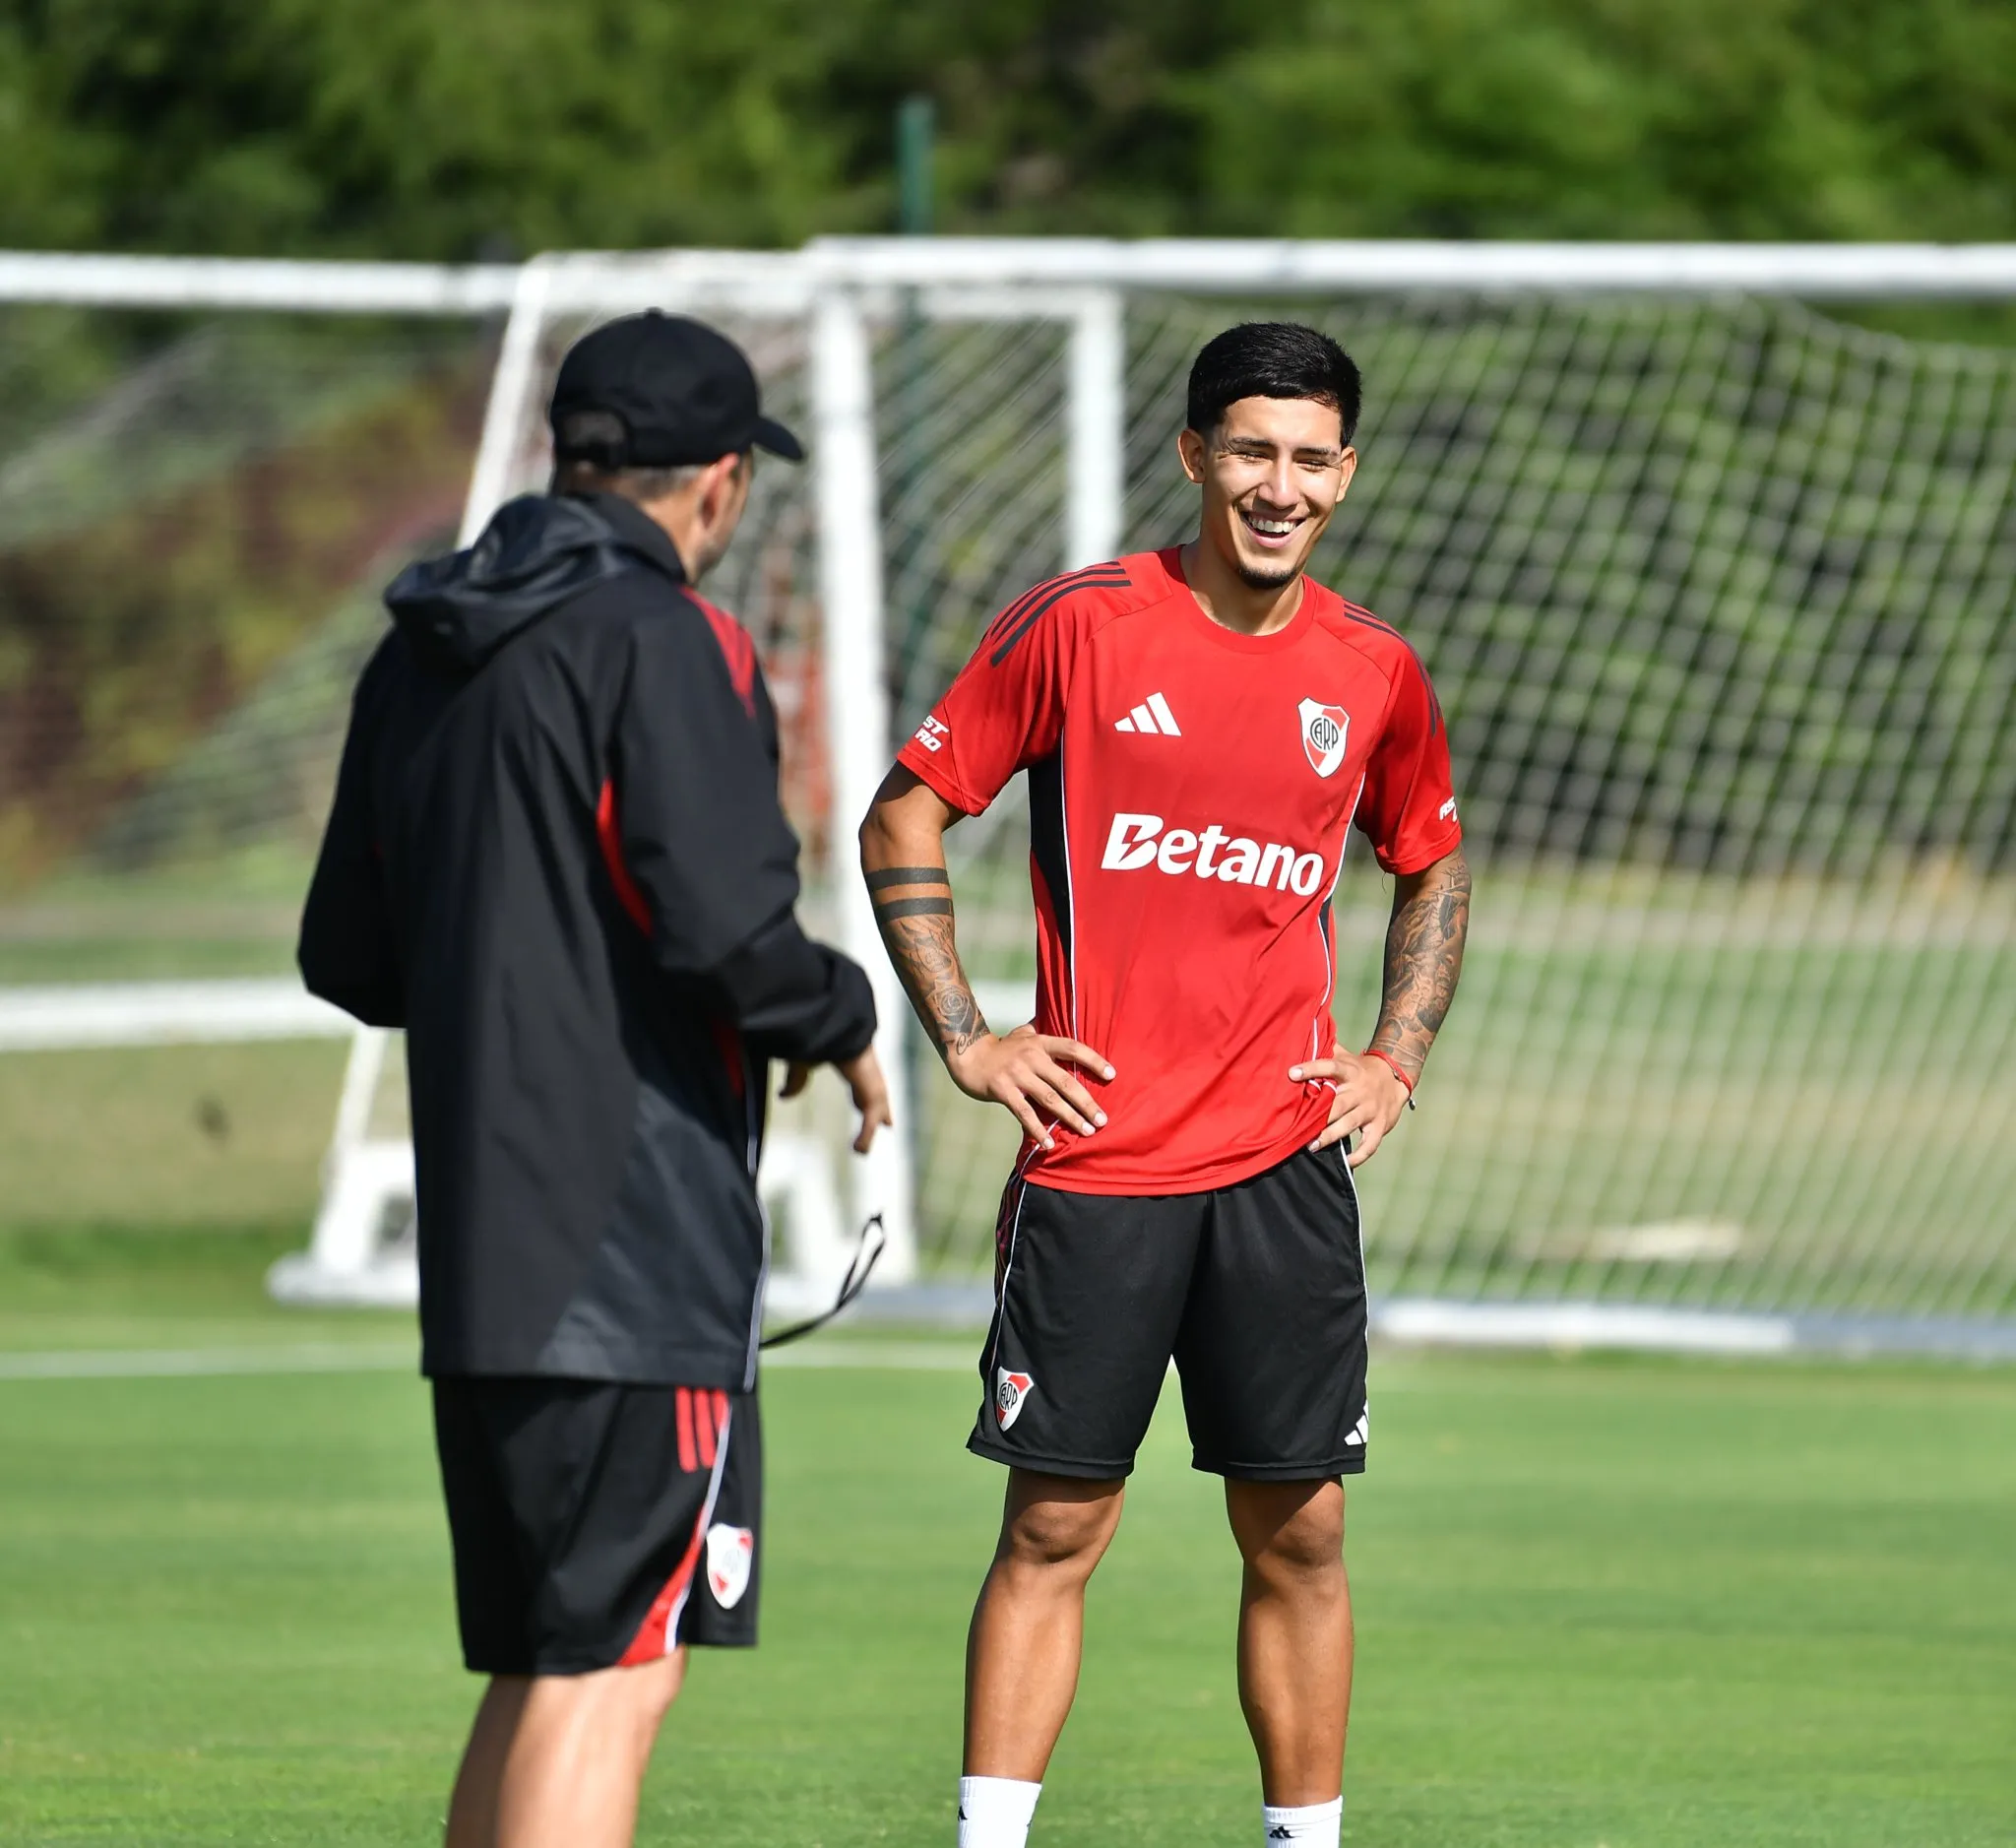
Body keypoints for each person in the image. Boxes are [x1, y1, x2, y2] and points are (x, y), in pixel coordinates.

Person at [859, 322, 1470, 1848]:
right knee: (1056, 1526)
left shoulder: (1373, 669)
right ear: (1196, 455)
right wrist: (971, 1038)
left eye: (1311, 458)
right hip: (1099, 1166)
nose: (1280, 486)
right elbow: (902, 818)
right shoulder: (1080, 627)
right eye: (1252, 450)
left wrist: (1395, 1054)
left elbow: (1431, 859)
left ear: (1346, 472)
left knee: (1303, 1533)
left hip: (1282, 1172)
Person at [300, 310, 890, 1848]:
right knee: (615, 1674)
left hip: (485, 1262)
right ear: (722, 482)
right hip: (633, 1256)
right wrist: (839, 1013)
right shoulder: (668, 638)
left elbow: (350, 957)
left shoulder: (422, 645)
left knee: (545, 1666)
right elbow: (726, 932)